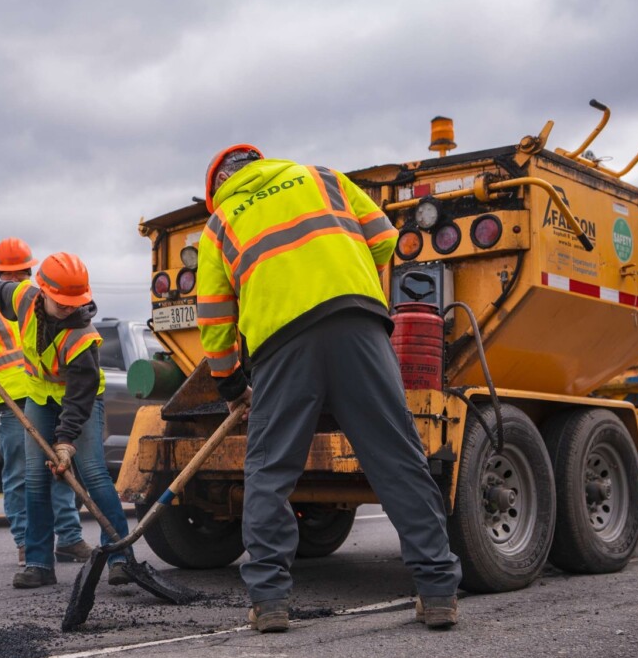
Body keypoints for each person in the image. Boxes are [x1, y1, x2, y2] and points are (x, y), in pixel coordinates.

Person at [196, 144, 462, 633]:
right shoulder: (323, 178)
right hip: (359, 325)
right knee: (398, 458)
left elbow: (214, 314)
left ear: (218, 188)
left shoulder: (221, 223)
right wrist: (342, 272)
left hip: (282, 344)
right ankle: (438, 590)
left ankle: (271, 601)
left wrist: (231, 382)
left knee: (271, 471)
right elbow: (384, 238)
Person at [0, 252, 133, 589]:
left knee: (93, 472)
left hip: (80, 400)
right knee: (34, 478)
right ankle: (38, 564)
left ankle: (122, 558)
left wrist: (65, 441)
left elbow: (80, 396)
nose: (68, 308)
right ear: (43, 291)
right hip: (38, 395)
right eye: (61, 301)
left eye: (74, 302)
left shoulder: (83, 337)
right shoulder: (22, 297)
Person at [0, 238, 92, 567]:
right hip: (9, 405)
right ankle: (26, 542)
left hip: (45, 398)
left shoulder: (38, 305)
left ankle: (69, 538)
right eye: (11, 273)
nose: (17, 279)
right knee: (21, 476)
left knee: (59, 470)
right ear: (0, 274)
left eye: (23, 272)